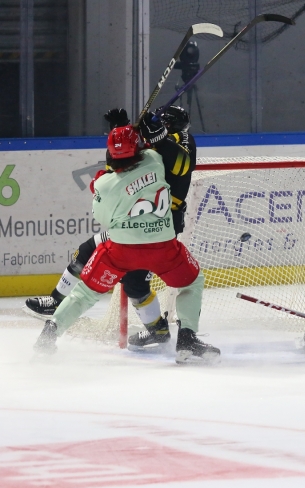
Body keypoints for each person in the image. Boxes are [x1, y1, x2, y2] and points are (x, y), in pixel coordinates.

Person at [33, 118, 219, 363]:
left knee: (84, 293)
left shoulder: (104, 184)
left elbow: (104, 218)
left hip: (121, 251)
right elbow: (166, 156)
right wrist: (152, 135)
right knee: (192, 283)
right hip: (163, 248)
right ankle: (187, 338)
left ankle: (49, 335)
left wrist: (107, 178)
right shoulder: (155, 160)